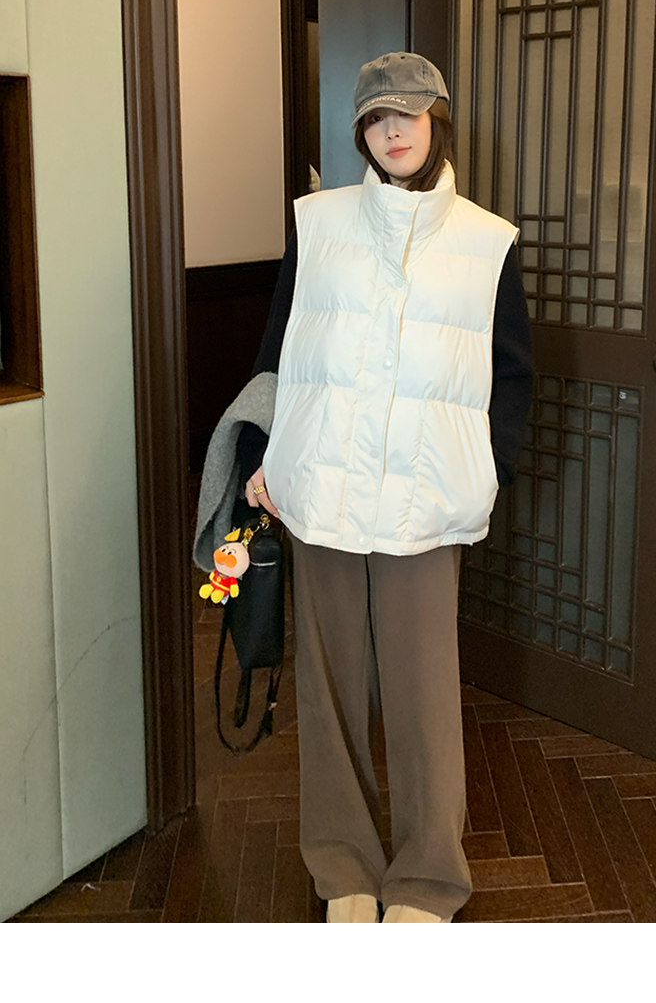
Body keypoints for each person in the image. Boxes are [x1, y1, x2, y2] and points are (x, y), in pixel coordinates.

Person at [197, 52, 533, 923]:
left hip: (426, 499)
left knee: (424, 697)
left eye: (408, 114)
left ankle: (428, 878)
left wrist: (485, 466)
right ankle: (342, 865)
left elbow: (512, 374)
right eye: (377, 117)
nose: (393, 130)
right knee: (331, 686)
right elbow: (279, 349)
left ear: (436, 121)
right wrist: (263, 456)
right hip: (323, 491)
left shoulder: (487, 241)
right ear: (361, 132)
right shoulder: (318, 224)